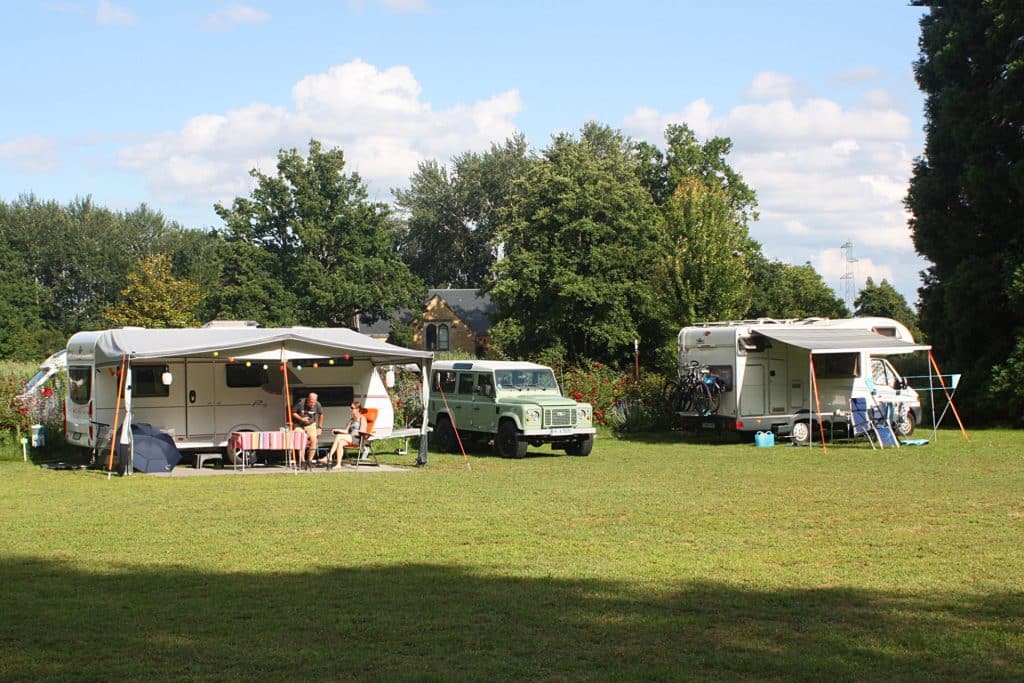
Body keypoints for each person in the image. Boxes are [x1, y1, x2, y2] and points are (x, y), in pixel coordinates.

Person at [328, 402, 367, 469]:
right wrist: (337, 429)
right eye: (350, 408)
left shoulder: (362, 418)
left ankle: (329, 455)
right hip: (350, 437)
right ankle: (338, 464)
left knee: (339, 436)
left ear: (357, 409)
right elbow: (346, 431)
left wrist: (355, 432)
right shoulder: (352, 420)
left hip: (358, 439)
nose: (350, 409)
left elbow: (363, 431)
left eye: (352, 408)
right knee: (340, 443)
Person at [291, 392, 324, 469]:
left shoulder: (317, 404)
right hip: (299, 425)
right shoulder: (300, 402)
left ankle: (310, 461)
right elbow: (293, 413)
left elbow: (321, 415)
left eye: (314, 402)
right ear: (308, 399)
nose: (312, 404)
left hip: (311, 425)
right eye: (311, 402)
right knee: (301, 439)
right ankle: (302, 461)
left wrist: (319, 427)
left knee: (314, 440)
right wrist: (301, 419)